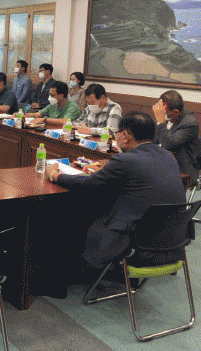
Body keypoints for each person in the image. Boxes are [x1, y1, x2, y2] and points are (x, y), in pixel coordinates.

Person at [46, 112, 186, 270]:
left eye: (117, 133)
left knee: (81, 214)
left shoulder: (125, 160)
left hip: (137, 240)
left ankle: (83, 265)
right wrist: (106, 171)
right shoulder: (168, 156)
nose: (116, 136)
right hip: (171, 239)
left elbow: (87, 184)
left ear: (125, 136)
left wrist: (55, 175)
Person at [152, 90, 200, 188]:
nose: (160, 111)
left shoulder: (189, 123)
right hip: (160, 165)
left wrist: (160, 121)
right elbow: (153, 141)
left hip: (181, 172)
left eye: (163, 109)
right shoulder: (165, 118)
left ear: (176, 112)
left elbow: (168, 144)